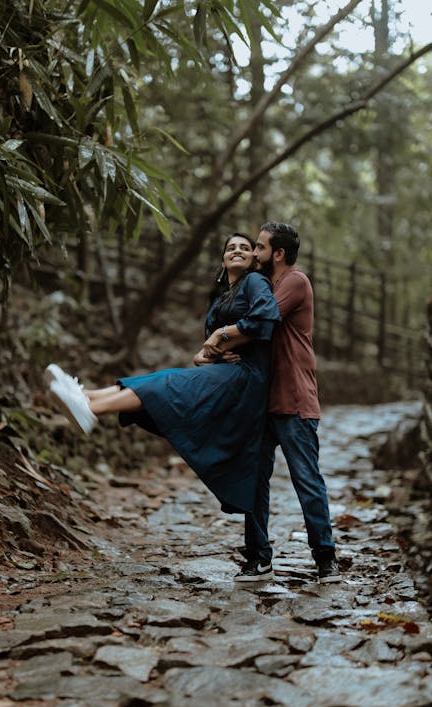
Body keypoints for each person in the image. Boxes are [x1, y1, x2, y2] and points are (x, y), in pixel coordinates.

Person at [47, 233, 280, 553]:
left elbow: (265, 319)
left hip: (247, 377)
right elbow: (203, 353)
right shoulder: (222, 296)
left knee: (166, 383)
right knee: (160, 381)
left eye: (244, 247)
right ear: (223, 259)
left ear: (255, 258)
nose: (237, 251)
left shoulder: (256, 282)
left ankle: (90, 407)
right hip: (222, 372)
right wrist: (209, 351)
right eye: (230, 248)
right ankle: (85, 397)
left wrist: (222, 335)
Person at [236, 220, 341, 584]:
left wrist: (220, 337)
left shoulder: (295, 281)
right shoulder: (265, 283)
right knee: (254, 481)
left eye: (260, 248)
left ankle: (325, 559)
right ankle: (258, 558)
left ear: (278, 253)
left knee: (306, 481)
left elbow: (258, 321)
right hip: (263, 400)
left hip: (294, 399)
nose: (254, 253)